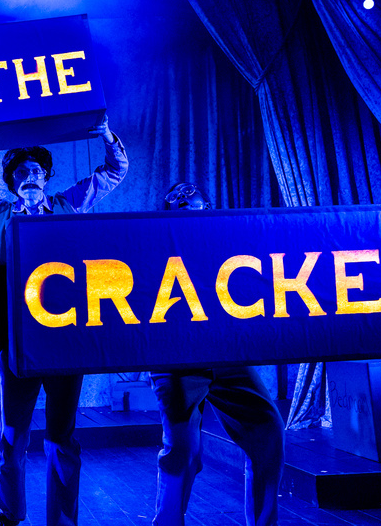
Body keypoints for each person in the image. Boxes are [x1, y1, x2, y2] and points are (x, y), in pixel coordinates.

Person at [0, 115, 128, 526]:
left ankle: (62, 522)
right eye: (22, 172)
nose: (31, 177)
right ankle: (8, 516)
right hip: (17, 345)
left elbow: (115, 171)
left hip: (65, 343)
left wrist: (105, 135)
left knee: (61, 437)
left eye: (38, 171)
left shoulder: (68, 204)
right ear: (11, 180)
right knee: (12, 437)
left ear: (46, 177)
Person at [148, 181, 286, 526]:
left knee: (268, 429)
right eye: (183, 212)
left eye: (198, 210)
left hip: (225, 356)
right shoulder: (154, 247)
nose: (193, 217)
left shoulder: (227, 243)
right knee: (182, 450)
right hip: (176, 361)